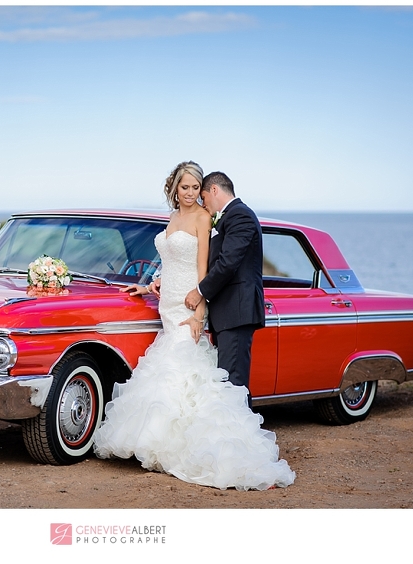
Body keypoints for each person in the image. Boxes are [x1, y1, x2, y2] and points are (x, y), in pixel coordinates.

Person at [92, 161, 294, 490]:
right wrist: (149, 284)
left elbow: (207, 266)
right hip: (168, 302)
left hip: (190, 304)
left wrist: (200, 308)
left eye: (195, 189)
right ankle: (160, 443)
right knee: (173, 372)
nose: (190, 194)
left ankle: (230, 451)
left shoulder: (206, 218)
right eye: (184, 188)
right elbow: (172, 259)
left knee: (200, 376)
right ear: (175, 188)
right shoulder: (174, 218)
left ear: (206, 191)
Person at [184, 171, 264, 407]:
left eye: (204, 197)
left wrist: (200, 291)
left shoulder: (241, 216)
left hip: (237, 311)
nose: (203, 204)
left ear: (214, 190)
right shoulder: (229, 216)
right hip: (227, 313)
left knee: (233, 383)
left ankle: (242, 441)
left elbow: (228, 263)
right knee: (226, 380)